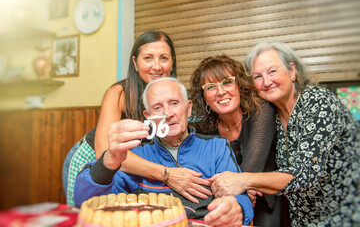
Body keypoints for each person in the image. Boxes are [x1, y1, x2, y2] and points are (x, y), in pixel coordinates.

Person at [210, 42, 360, 226]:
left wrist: (243, 180)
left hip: (347, 213)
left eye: (272, 71)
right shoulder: (273, 114)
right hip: (304, 219)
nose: (266, 82)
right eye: (258, 76)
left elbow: (306, 174)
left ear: (292, 71)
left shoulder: (319, 101)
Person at [74, 77, 254, 226]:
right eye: (158, 108)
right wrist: (110, 160)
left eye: (174, 103)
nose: (168, 113)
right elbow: (85, 201)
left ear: (189, 108)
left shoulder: (216, 147)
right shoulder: (136, 155)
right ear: (148, 117)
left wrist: (237, 208)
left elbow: (240, 198)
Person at [64, 30, 211, 206]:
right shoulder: (119, 93)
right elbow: (104, 151)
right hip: (92, 162)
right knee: (86, 214)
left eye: (164, 58)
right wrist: (167, 174)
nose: (157, 66)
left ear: (172, 62)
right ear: (135, 62)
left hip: (135, 164)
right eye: (148, 58)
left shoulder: (178, 96)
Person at [189, 54, 287, 227]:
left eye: (227, 82)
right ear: (204, 97)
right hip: (225, 199)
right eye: (211, 87)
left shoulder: (262, 112)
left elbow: (250, 170)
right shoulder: (203, 129)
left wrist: (236, 191)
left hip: (265, 198)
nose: (221, 92)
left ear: (239, 86)